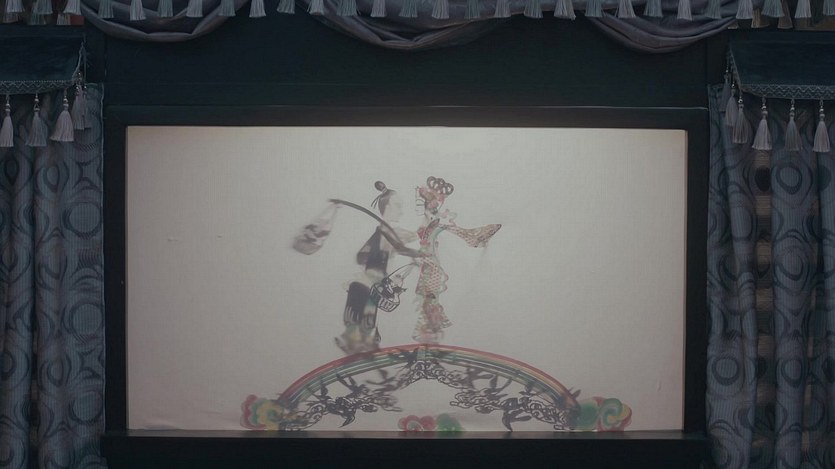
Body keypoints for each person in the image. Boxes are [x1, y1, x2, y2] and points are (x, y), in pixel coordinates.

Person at [412, 177, 501, 344]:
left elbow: (433, 219)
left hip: (430, 256)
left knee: (430, 290)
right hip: (428, 256)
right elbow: (423, 216)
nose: (437, 202)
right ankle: (426, 327)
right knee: (430, 290)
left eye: (439, 199)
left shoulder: (434, 219)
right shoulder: (428, 218)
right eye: (435, 199)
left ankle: (426, 327)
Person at [336, 181, 418, 354]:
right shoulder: (383, 232)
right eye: (398, 206)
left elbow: (402, 242)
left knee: (367, 314)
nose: (401, 211)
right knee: (362, 313)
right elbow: (364, 255)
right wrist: (417, 254)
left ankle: (362, 342)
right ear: (387, 207)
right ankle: (355, 341)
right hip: (369, 281)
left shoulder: (388, 231)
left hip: (375, 283)